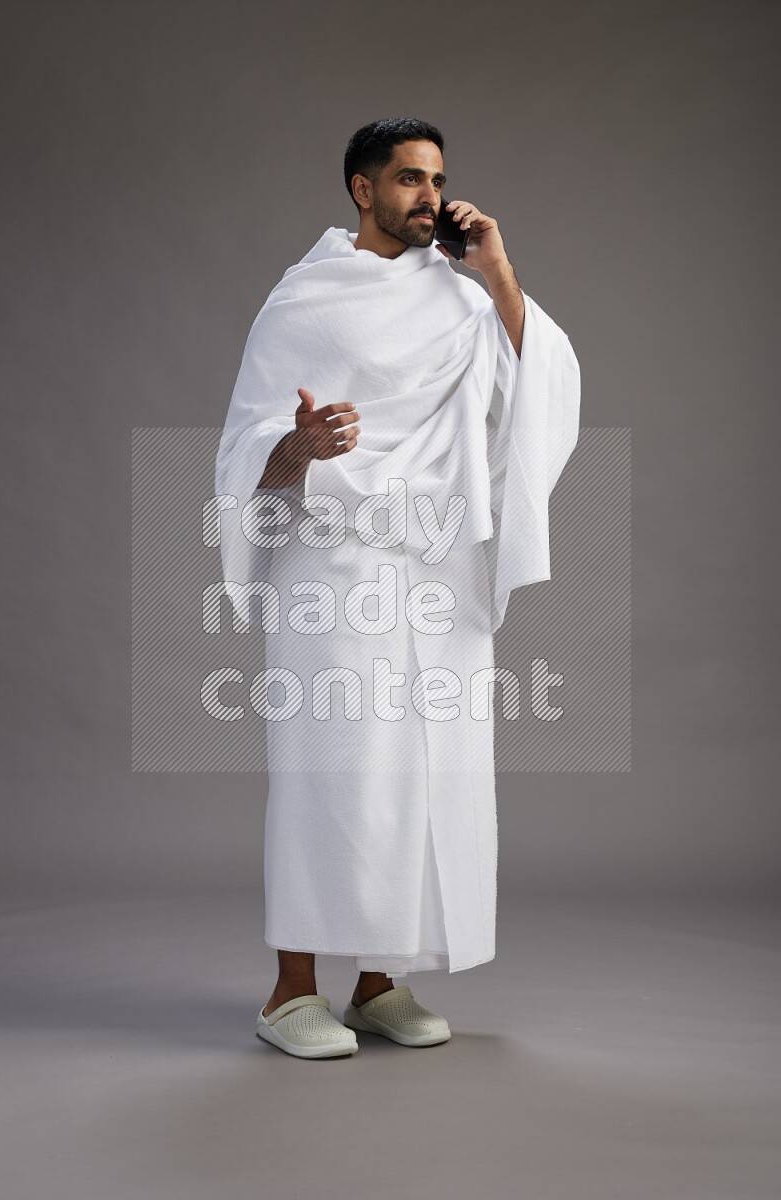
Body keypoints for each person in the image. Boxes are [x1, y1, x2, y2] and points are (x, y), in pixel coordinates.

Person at [214, 117, 580, 1058]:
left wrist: (497, 270)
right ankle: (291, 991)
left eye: (439, 179)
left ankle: (380, 983)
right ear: (360, 189)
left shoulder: (462, 301)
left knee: (425, 775)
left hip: (437, 566)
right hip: (334, 567)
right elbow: (246, 445)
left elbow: (534, 389)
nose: (429, 195)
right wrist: (296, 447)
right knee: (331, 770)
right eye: (409, 178)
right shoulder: (303, 302)